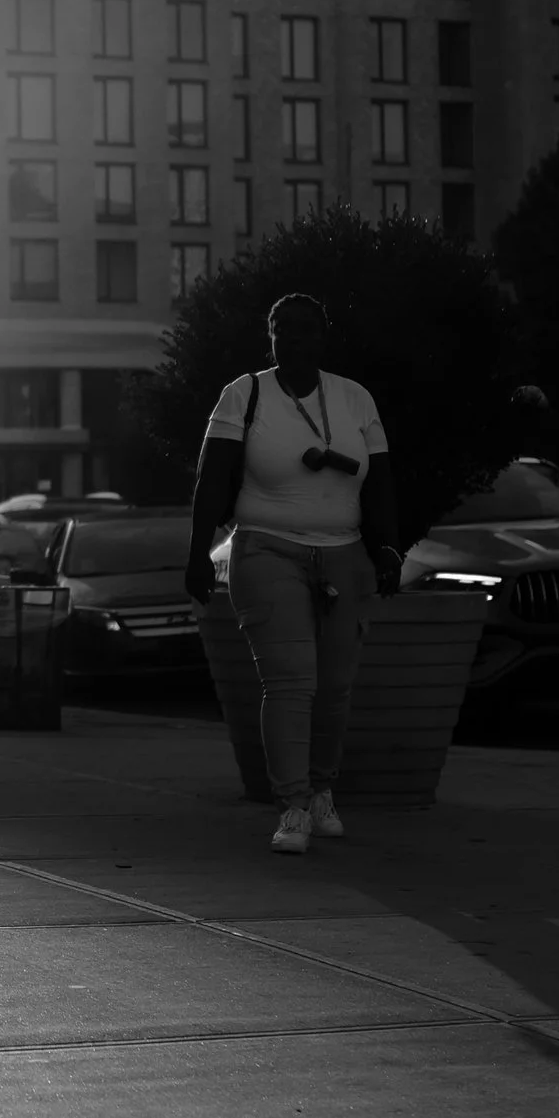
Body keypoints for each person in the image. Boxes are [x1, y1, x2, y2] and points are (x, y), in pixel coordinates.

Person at [184, 292, 402, 852]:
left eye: (306, 329)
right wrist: (197, 554)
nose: (294, 339)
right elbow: (212, 480)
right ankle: (293, 806)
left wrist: (387, 549)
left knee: (334, 687)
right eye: (283, 329)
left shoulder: (354, 398)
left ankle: (324, 792)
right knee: (290, 682)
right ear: (271, 336)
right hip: (267, 551)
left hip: (345, 555)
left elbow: (379, 481)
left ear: (323, 337)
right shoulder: (244, 394)